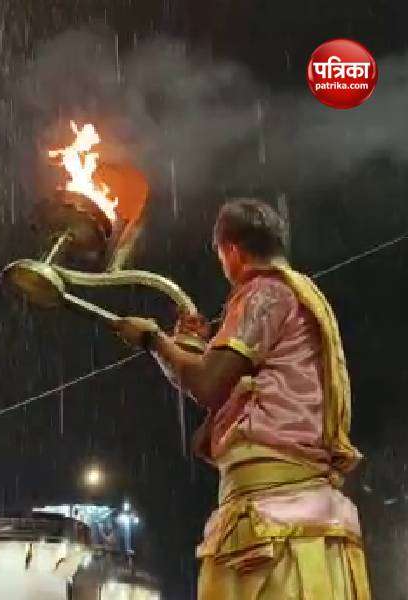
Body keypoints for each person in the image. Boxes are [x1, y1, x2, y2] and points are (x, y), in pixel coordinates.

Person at [114, 199, 370, 599]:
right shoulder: (294, 294)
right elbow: (211, 381)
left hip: (276, 514)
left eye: (221, 256)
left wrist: (153, 341)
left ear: (232, 250)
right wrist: (188, 346)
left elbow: (207, 384)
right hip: (284, 505)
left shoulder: (264, 293)